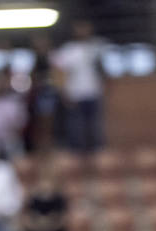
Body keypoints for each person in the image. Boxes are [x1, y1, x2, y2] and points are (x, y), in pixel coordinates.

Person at [53, 19, 106, 153]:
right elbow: (59, 73)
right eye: (80, 28)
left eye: (86, 27)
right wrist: (63, 92)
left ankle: (96, 154)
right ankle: (77, 155)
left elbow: (102, 70)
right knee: (76, 127)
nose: (83, 31)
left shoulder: (96, 47)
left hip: (93, 93)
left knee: (95, 127)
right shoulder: (68, 50)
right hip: (75, 94)